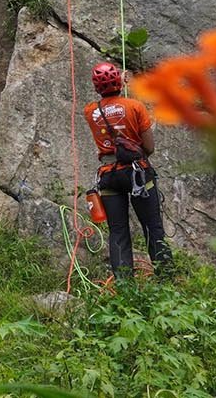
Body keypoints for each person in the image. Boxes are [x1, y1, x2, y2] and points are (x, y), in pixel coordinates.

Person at [82, 62, 172, 281]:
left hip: (108, 176)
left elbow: (108, 112)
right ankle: (167, 280)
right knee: (152, 227)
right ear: (120, 82)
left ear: (96, 87)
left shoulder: (90, 111)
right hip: (136, 173)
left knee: (118, 231)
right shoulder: (135, 107)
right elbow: (149, 147)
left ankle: (124, 286)